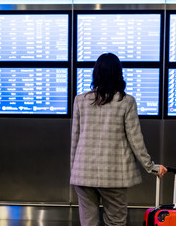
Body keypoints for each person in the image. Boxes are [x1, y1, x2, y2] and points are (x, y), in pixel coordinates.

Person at [70, 53, 167, 226]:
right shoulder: (126, 101)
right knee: (116, 222)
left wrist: (74, 170)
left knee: (88, 223)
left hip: (82, 173)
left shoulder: (80, 100)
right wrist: (151, 167)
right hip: (114, 175)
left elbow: (75, 140)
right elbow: (135, 139)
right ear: (118, 74)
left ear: (96, 73)